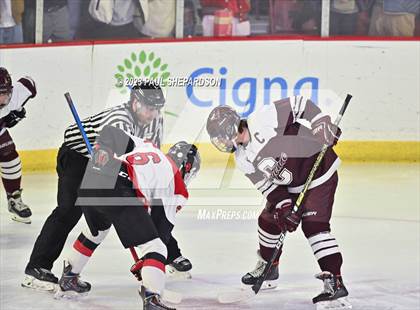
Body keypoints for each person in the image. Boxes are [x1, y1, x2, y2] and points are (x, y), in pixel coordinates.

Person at [206, 97, 350, 308]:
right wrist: (284, 207)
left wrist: (321, 123)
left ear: (230, 129)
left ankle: (335, 283)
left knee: (314, 226)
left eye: (221, 137)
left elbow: (301, 105)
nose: (221, 143)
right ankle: (269, 267)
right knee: (269, 219)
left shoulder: (262, 119)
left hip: (319, 174)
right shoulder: (241, 158)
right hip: (292, 186)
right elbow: (268, 187)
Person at [22, 81, 165, 289]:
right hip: (77, 157)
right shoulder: (118, 121)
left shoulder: (155, 120)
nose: (153, 114)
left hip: (102, 159)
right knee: (69, 211)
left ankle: (71, 272)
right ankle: (37, 268)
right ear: (135, 103)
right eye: (149, 108)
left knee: (109, 212)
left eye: (156, 109)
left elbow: (148, 156)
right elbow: (117, 163)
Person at [55, 125, 201, 310]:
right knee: (155, 247)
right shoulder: (177, 185)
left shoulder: (148, 146)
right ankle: (153, 299)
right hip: (119, 188)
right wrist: (148, 263)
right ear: (187, 169)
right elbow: (160, 234)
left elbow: (110, 132)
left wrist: (102, 151)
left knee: (98, 230)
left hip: (92, 179)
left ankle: (69, 277)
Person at [0, 67, 36, 223]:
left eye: (4, 94)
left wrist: (18, 111)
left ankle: (14, 199)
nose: (2, 100)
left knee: (10, 157)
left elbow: (30, 83)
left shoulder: (17, 94)